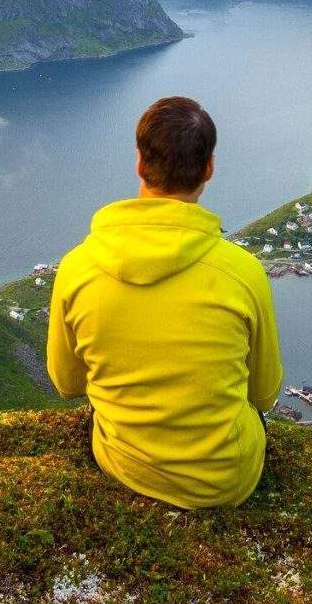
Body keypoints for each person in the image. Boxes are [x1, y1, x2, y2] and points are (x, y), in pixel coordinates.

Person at [45, 95, 283, 508]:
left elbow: (67, 384)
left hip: (123, 465)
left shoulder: (77, 267)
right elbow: (263, 394)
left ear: (139, 162)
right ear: (208, 167)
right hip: (225, 482)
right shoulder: (242, 272)